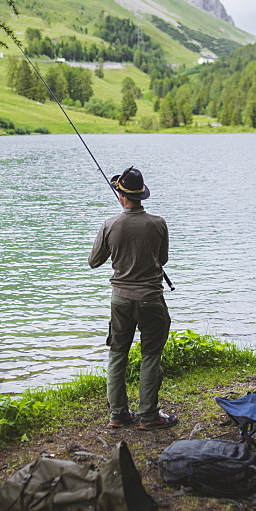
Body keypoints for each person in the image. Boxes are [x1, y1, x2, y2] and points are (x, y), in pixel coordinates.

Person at [88, 166, 178, 430]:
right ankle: (149, 416)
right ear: (140, 195)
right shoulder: (158, 223)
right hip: (151, 299)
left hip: (121, 301)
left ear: (121, 195)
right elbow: (162, 260)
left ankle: (118, 414)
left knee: (117, 355)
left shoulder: (110, 224)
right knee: (150, 356)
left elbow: (94, 262)